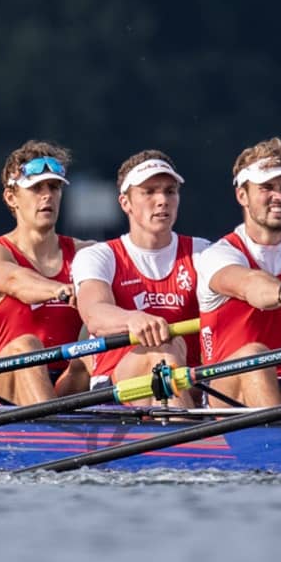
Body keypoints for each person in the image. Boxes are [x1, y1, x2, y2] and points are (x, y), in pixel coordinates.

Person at [195, 137, 281, 407]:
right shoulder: (219, 255)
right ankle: (277, 444)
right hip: (226, 392)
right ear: (242, 195)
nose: (279, 196)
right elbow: (250, 285)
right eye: (267, 187)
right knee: (255, 357)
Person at [73, 150, 209, 404]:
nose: (162, 200)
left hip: (193, 385)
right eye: (149, 192)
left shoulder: (203, 253)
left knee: (172, 350)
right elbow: (94, 313)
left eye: (170, 191)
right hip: (117, 388)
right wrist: (132, 319)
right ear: (125, 203)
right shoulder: (100, 256)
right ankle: (187, 439)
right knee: (164, 350)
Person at [0, 141, 92, 405]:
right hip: (2, 391)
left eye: (54, 187)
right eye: (36, 188)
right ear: (11, 198)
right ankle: (52, 436)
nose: (47, 195)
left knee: (89, 354)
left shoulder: (86, 253)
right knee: (27, 347)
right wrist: (59, 289)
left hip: (66, 383)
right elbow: (14, 280)